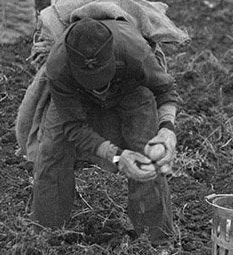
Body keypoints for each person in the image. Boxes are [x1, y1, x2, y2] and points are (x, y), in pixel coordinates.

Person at [27, 18, 178, 240]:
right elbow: (73, 126)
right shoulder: (58, 66)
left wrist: (167, 130)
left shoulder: (134, 51)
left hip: (130, 91)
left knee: (146, 154)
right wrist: (117, 157)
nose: (99, 87)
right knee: (52, 149)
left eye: (101, 77)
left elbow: (164, 90)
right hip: (76, 98)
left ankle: (156, 239)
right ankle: (46, 235)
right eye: (91, 80)